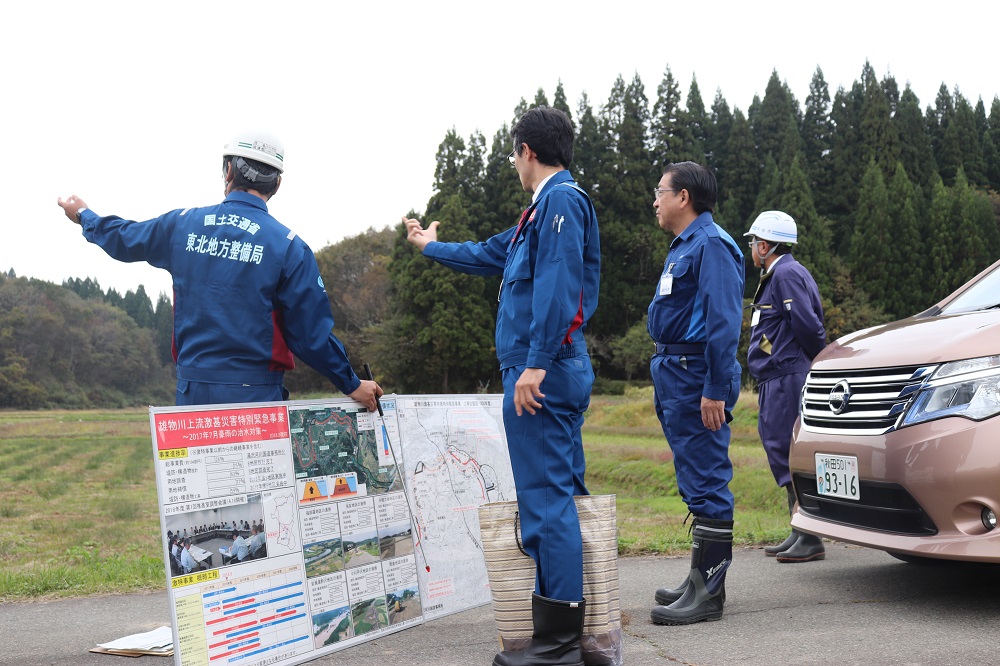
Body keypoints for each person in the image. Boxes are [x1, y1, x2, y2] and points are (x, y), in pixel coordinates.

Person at [404, 106, 600, 666]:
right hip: (547, 366)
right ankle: (578, 631)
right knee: (558, 497)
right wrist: (429, 247)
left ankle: (558, 645)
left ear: (527, 152)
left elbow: (560, 284)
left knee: (545, 503)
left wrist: (535, 364)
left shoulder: (560, 201)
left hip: (544, 369)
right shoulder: (534, 214)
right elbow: (488, 254)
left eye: (514, 154)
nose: (514, 163)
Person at [56, 131, 381, 410]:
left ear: (228, 170)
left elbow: (124, 238)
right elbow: (310, 336)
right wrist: (350, 383)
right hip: (257, 397)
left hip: (192, 394)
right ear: (277, 184)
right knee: (259, 482)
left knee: (196, 483)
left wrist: (84, 215)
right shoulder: (289, 247)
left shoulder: (181, 226)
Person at [647, 162, 744, 626]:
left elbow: (724, 323)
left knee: (707, 477)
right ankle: (697, 578)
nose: (655, 199)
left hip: (695, 375)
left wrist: (715, 390)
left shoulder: (713, 246)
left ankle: (709, 593)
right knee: (693, 476)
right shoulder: (686, 245)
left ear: (683, 197)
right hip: (675, 371)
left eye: (660, 192)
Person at [745, 211, 827, 563]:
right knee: (781, 449)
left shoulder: (787, 273)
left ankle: (810, 536)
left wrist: (817, 363)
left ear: (765, 246)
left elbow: (808, 326)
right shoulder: (776, 274)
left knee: (790, 450)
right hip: (776, 376)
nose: (750, 248)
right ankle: (799, 529)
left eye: (753, 242)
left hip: (788, 376)